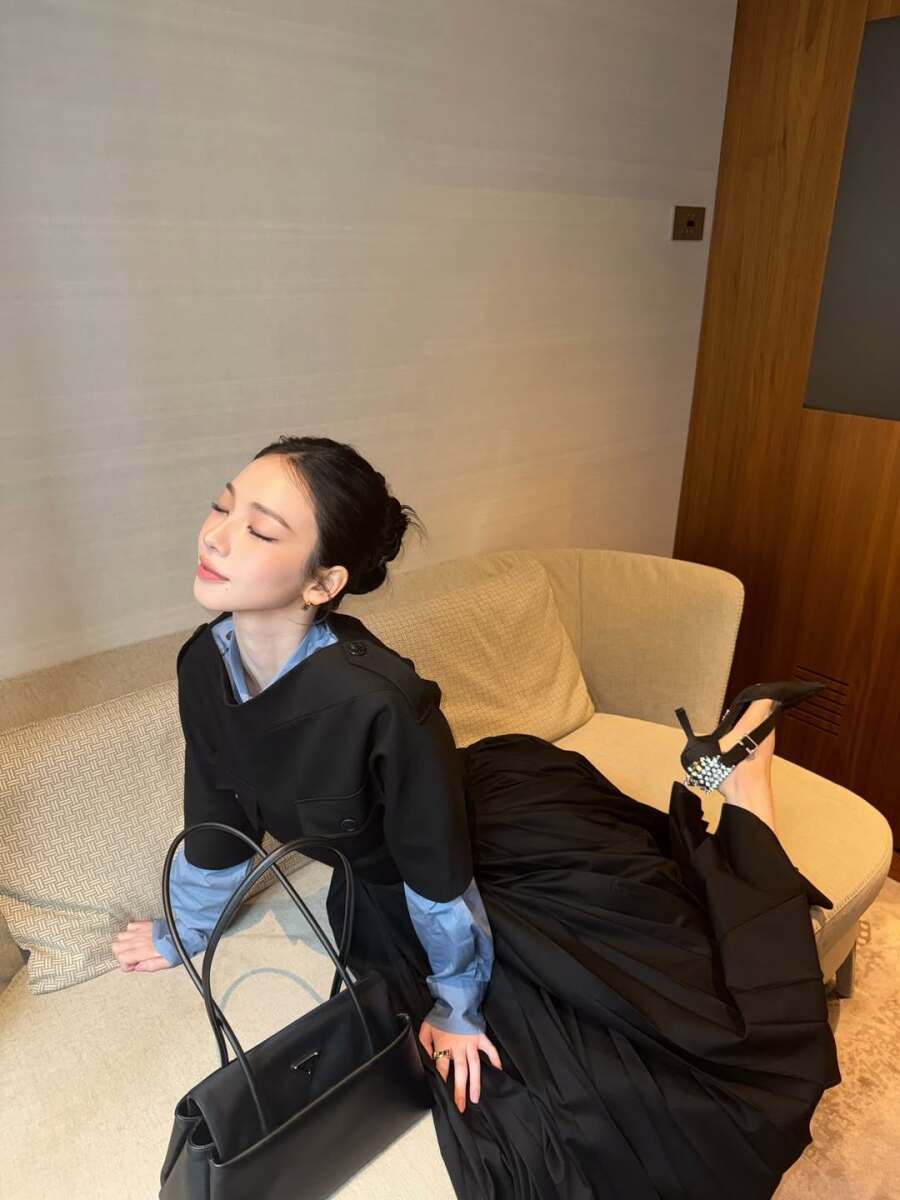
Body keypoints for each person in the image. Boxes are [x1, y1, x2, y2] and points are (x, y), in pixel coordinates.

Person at [112, 435, 841, 1199]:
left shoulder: (381, 702)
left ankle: (747, 777)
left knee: (655, 1082)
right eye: (222, 506)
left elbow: (437, 871)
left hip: (463, 858)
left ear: (324, 582)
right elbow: (216, 804)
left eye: (260, 530)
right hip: (382, 891)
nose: (216, 536)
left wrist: (457, 1003)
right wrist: (186, 929)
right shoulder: (202, 663)